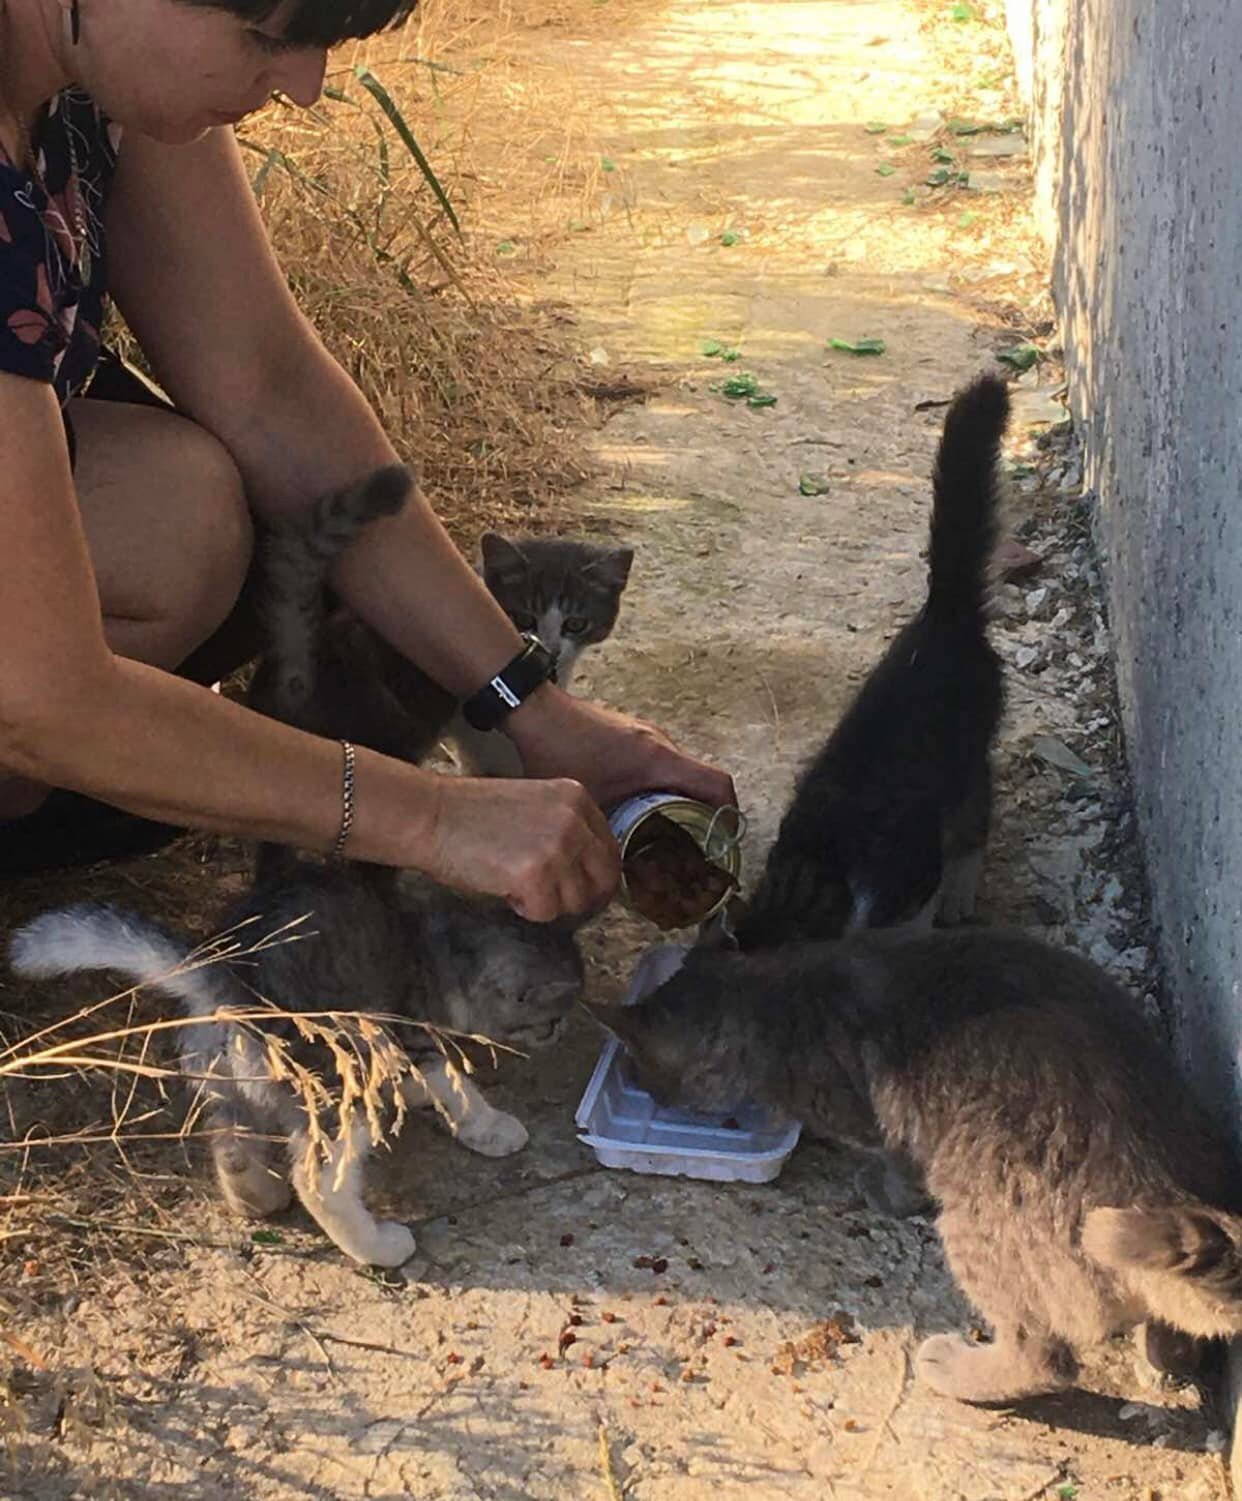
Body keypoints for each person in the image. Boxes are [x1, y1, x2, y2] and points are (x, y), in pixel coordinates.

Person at [0, 0, 734, 921]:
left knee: (181, 512)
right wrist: (433, 818)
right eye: (266, 39)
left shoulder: (95, 64)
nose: (303, 89)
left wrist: (534, 710)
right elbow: (41, 692)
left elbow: (268, 389)